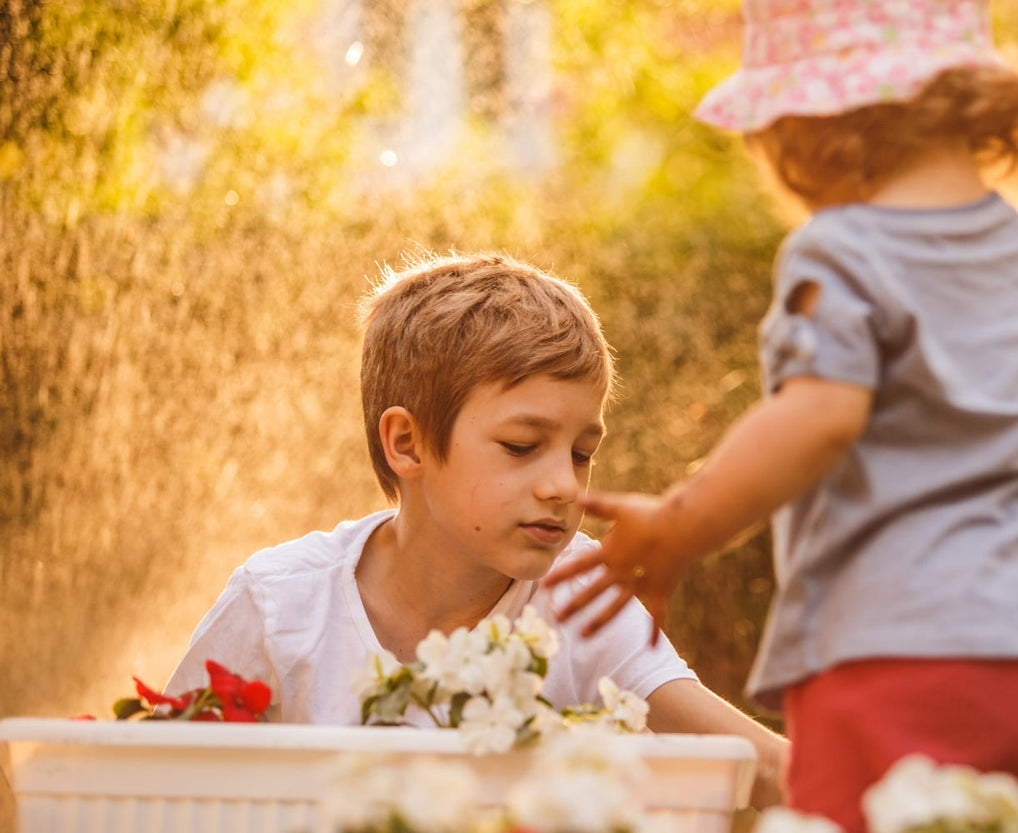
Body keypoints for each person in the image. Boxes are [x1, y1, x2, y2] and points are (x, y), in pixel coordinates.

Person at [547, 2, 1018, 830]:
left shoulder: (842, 247)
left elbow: (820, 416)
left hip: (898, 659)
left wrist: (678, 525)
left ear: (818, 129)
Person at [167, 251, 785, 809]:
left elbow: (745, 760)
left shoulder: (581, 593)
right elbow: (161, 785)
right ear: (407, 444)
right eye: (522, 446)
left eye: (580, 453)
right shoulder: (279, 604)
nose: (565, 487)